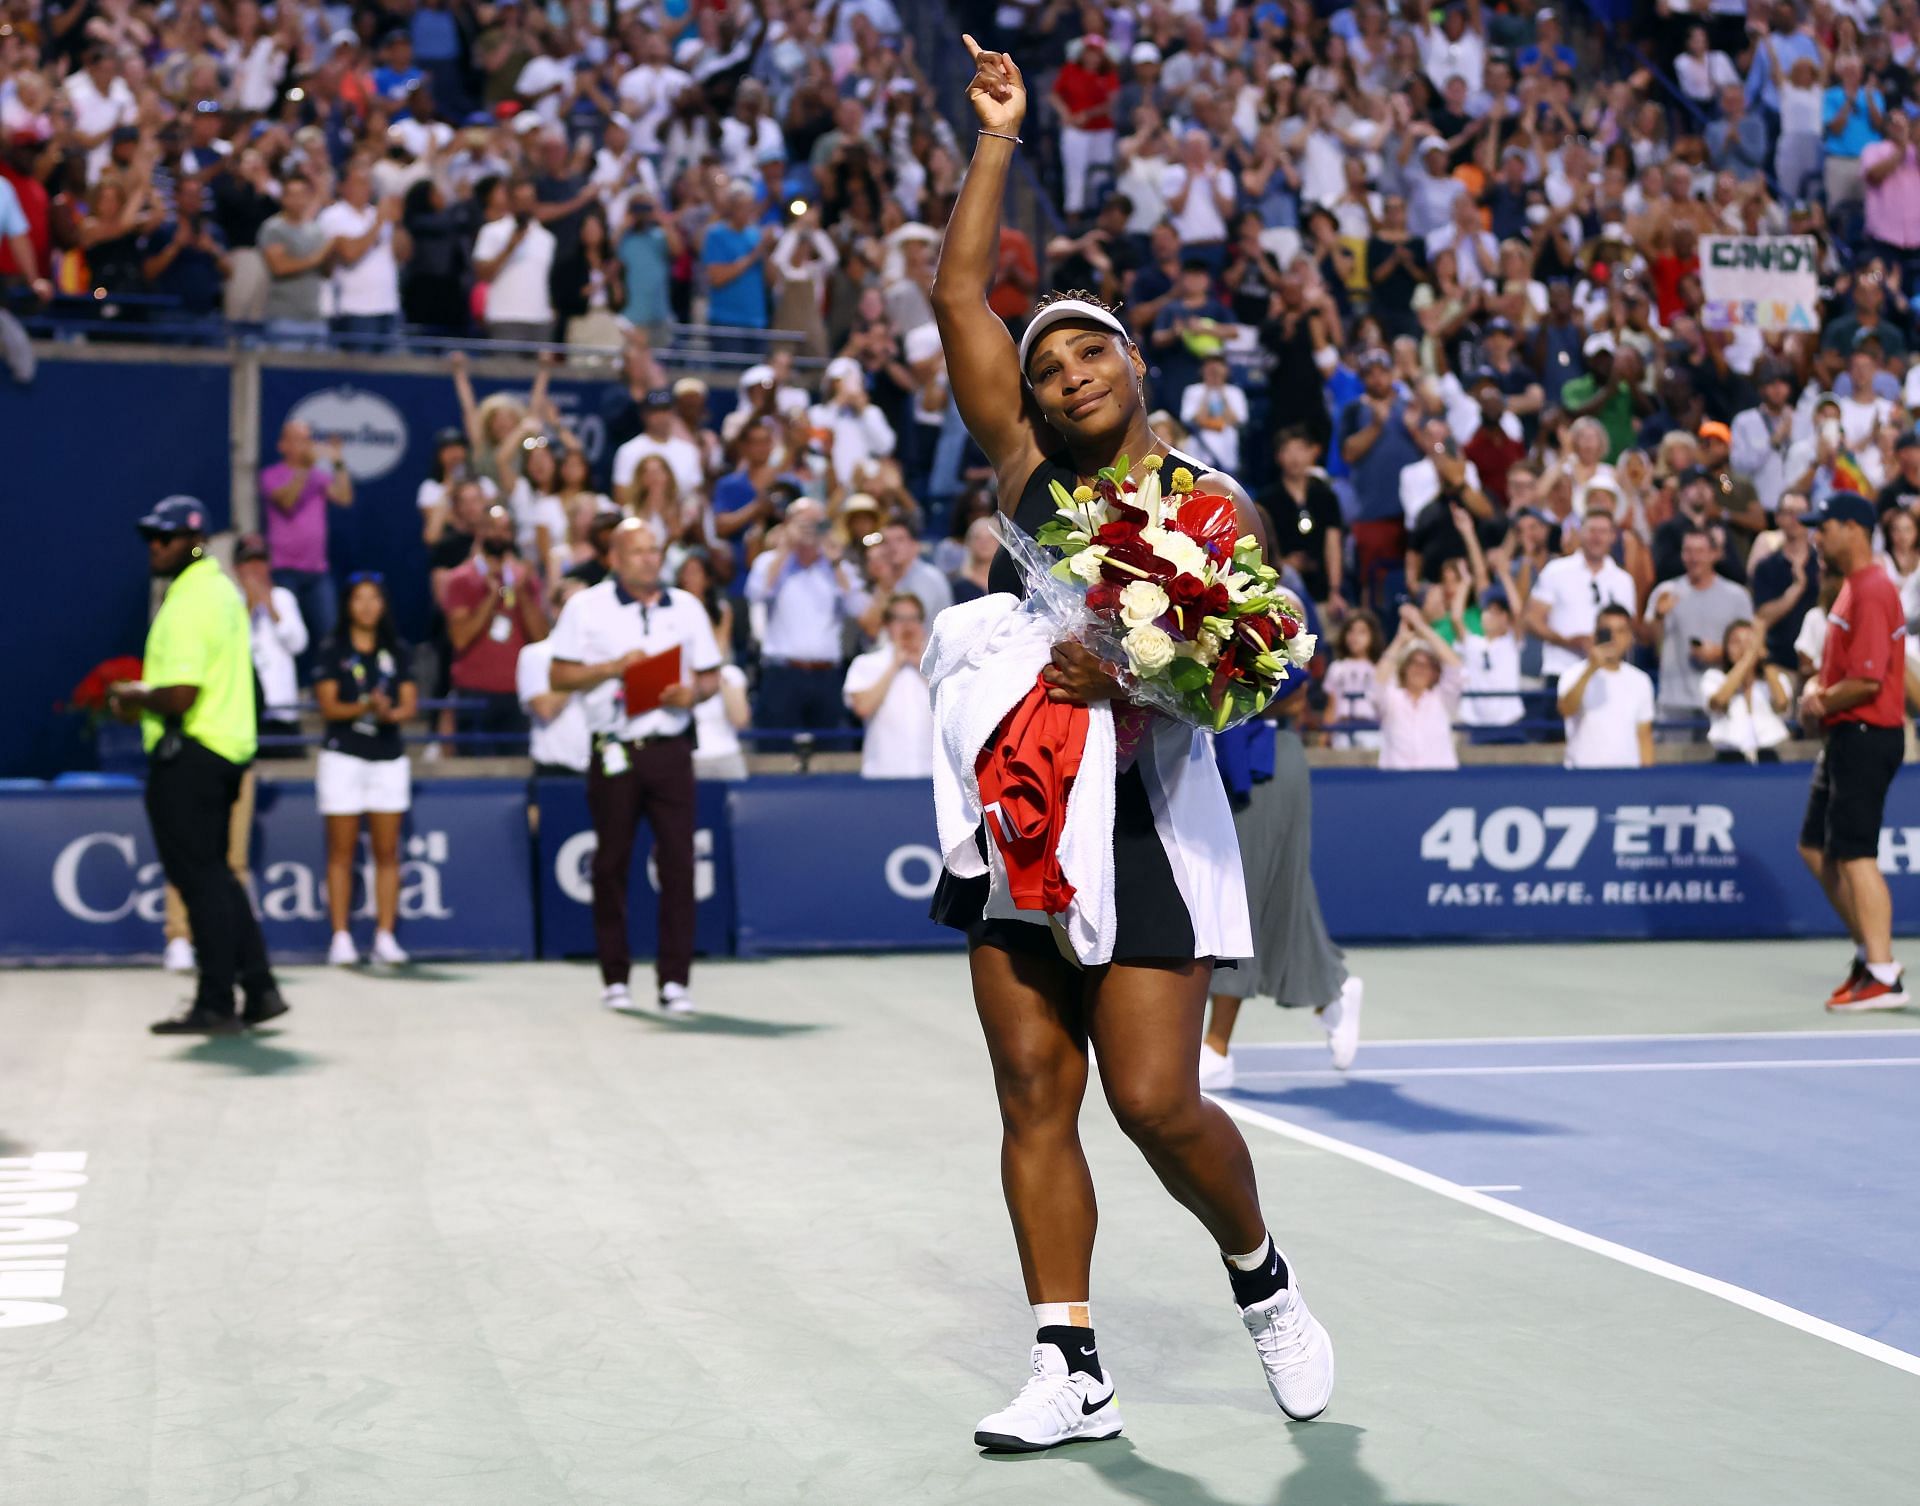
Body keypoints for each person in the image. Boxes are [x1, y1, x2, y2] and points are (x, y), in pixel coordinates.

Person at [923, 37, 1333, 1456]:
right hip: (1020, 815)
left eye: (1092, 345)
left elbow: (1245, 675)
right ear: (1025, 405)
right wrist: (995, 141)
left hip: (1146, 819)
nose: (1069, 370)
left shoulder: (1212, 512)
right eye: (1048, 363)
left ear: (1136, 363)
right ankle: (1069, 1362)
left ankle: (1261, 1274)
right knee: (1035, 1089)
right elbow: (959, 292)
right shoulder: (1029, 483)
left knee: (1157, 1100)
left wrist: (1150, 679)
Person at [107, 497, 285, 1034]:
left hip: (192, 754)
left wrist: (131, 697)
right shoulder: (219, 589)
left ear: (193, 540)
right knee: (218, 876)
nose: (154, 548)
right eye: (151, 538)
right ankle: (259, 988)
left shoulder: (189, 599)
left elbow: (182, 695)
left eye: (164, 537)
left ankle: (215, 1001)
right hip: (224, 751)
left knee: (199, 880)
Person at [547, 519, 724, 1016]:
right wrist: (613, 668)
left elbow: (710, 677)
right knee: (610, 863)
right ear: (615, 558)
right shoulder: (585, 607)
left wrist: (693, 692)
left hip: (670, 747)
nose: (650, 558)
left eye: (655, 549)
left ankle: (674, 981)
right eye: (639, 551)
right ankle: (615, 976)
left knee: (679, 865)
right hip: (614, 749)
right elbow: (558, 675)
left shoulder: (686, 606)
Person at [1201, 589, 1362, 1092]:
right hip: (1218, 766)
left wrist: (1231, 689)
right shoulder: (1208, 597)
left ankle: (1216, 1048)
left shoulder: (1278, 601)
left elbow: (1297, 679)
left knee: (1240, 897)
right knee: (1273, 892)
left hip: (1263, 763)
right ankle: (1330, 994)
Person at [1797, 493, 1909, 1012]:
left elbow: (1866, 680)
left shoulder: (1873, 590)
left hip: (1866, 733)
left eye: (1825, 527)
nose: (1817, 536)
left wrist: (1818, 698)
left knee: (1856, 852)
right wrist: (1819, 698)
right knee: (1816, 848)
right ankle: (1869, 956)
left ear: (1854, 530)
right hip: (1846, 735)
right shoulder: (1850, 588)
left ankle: (1884, 973)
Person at [313, 574, 418, 967]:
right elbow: (328, 707)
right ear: (348, 605)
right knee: (341, 851)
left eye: (375, 598)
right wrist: (365, 708)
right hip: (343, 757)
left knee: (387, 851)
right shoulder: (332, 650)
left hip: (388, 757)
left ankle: (385, 936)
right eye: (360, 598)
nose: (368, 606)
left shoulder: (397, 650)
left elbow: (409, 703)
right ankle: (340, 937)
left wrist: (391, 712)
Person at [746, 499, 868, 734]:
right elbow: (757, 593)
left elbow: (858, 609)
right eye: (803, 523)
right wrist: (784, 549)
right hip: (782, 674)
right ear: (788, 525)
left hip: (827, 676)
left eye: (817, 523)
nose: (810, 530)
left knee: (831, 756)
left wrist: (836, 563)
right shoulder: (769, 561)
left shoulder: (838, 566)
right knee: (776, 757)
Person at [442, 504, 550, 755]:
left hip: (518, 694)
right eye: (492, 527)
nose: (499, 534)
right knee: (473, 781)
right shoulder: (461, 579)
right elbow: (460, 638)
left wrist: (522, 595)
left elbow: (541, 638)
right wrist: (491, 598)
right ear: (479, 531)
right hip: (475, 695)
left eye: (505, 529)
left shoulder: (525, 579)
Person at [259, 420, 354, 673]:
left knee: (330, 634)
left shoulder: (318, 477)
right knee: (286, 634)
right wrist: (305, 469)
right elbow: (287, 502)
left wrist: (338, 460)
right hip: (283, 570)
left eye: (308, 439)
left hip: (317, 571)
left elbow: (344, 498)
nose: (306, 445)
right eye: (299, 439)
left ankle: (328, 688)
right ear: (283, 445)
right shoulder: (271, 475)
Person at [1644, 529, 1755, 740]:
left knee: (1721, 771)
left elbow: (1751, 649)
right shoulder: (1665, 592)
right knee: (1672, 770)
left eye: (1700, 551)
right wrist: (1658, 617)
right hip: (1674, 701)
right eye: (1688, 551)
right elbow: (1649, 642)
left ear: (1714, 554)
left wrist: (1721, 653)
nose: (1694, 558)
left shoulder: (1736, 595)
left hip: (1721, 698)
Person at [842, 592, 935, 778]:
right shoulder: (866, 663)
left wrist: (921, 667)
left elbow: (954, 707)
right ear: (887, 625)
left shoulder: (938, 666)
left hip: (931, 775)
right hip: (883, 773)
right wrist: (894, 665)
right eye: (900, 619)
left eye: (914, 619)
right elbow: (862, 707)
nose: (908, 626)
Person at [1556, 605, 1655, 769]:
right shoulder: (1573, 674)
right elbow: (1566, 709)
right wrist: (1591, 668)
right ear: (1596, 635)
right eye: (1607, 631)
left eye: (1621, 631)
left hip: (1628, 776)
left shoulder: (1640, 681)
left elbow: (1644, 735)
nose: (1614, 637)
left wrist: (1648, 779)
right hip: (1583, 774)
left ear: (1630, 637)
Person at [517, 577, 594, 779]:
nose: (582, 614)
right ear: (555, 610)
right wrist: (585, 671)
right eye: (572, 606)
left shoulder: (603, 655)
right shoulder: (536, 655)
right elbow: (545, 709)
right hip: (556, 770)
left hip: (602, 768)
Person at [1375, 603, 1463, 770]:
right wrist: (1399, 640)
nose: (1419, 670)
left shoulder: (1442, 698)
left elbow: (1455, 667)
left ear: (1434, 673)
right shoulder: (1393, 698)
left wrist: (1421, 627)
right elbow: (1378, 682)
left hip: (1439, 782)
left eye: (1426, 665)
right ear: (1404, 669)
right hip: (1396, 782)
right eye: (1414, 664)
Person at [1703, 620, 1792, 764]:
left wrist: (1765, 660)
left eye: (1749, 641)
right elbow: (1718, 701)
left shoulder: (1775, 678)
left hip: (1768, 757)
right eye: (1736, 642)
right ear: (1725, 648)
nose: (1744, 646)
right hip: (1728, 757)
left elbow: (1782, 703)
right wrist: (1749, 657)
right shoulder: (1714, 678)